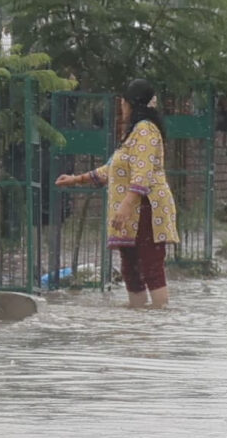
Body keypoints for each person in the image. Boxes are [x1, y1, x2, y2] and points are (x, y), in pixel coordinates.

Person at [56, 78, 179, 308]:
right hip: (131, 211)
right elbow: (111, 169)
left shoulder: (145, 131)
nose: (121, 109)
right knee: (131, 268)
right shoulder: (132, 135)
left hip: (146, 207)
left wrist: (126, 205)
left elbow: (142, 173)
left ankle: (160, 324)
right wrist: (77, 179)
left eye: (123, 104)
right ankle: (136, 320)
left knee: (150, 266)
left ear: (131, 104)